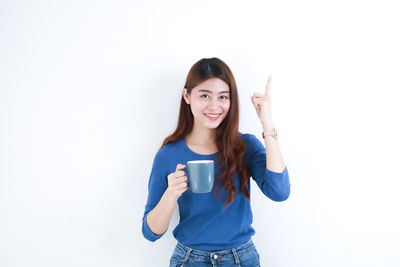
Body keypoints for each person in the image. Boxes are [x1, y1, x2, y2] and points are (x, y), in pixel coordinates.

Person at [142, 57, 291, 267]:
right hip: (189, 260)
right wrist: (171, 193)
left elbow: (279, 191)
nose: (214, 106)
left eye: (223, 97)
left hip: (242, 260)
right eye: (205, 95)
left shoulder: (245, 146)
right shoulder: (168, 154)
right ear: (187, 96)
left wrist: (267, 123)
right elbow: (151, 232)